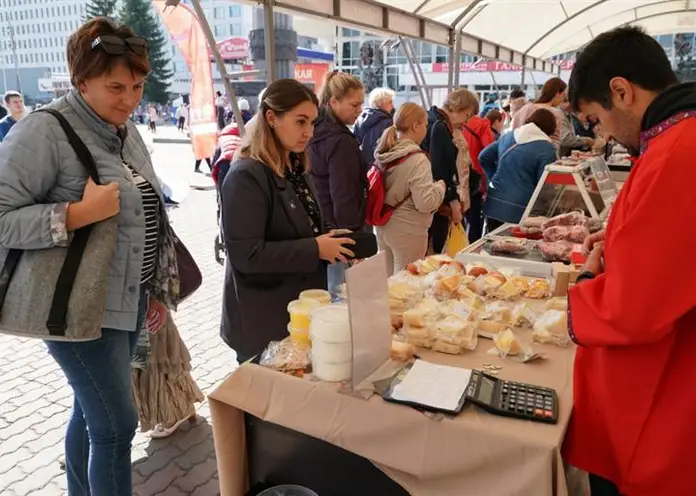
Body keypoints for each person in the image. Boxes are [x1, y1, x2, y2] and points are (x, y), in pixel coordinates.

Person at [0, 18, 179, 496]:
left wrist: (155, 290)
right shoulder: (44, 131)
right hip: (76, 308)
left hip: (129, 301)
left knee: (90, 409)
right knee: (117, 424)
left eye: (138, 86)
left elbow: (153, 214)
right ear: (81, 81)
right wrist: (77, 213)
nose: (130, 98)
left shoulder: (124, 129)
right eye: (115, 86)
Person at [564, 26, 696, 496]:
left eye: (596, 119)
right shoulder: (670, 140)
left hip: (668, 407)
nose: (600, 134)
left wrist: (583, 281)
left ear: (621, 91)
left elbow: (633, 307)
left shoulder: (678, 152)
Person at [220, 79, 355, 362]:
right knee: (264, 403)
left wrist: (336, 241)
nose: (308, 132)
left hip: (295, 312)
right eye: (300, 122)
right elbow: (247, 255)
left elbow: (302, 223)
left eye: (313, 123)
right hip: (263, 320)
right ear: (271, 118)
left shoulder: (294, 166)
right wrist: (315, 249)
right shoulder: (246, 175)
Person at [373, 103, 445, 274]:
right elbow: (426, 203)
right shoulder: (417, 159)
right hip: (409, 229)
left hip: (384, 226)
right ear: (415, 126)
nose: (427, 129)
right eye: (426, 124)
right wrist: (440, 188)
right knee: (407, 284)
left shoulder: (385, 152)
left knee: (387, 280)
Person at [479, 108, 558, 232]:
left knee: (490, 245)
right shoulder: (546, 149)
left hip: (494, 203)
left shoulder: (509, 136)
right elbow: (545, 186)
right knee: (514, 248)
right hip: (521, 209)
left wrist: (493, 177)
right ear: (550, 129)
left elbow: (484, 157)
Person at [307, 71, 368, 232]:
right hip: (339, 229)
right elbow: (344, 193)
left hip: (318, 222)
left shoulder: (313, 130)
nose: (360, 110)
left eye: (361, 105)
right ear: (334, 102)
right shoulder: (340, 141)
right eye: (354, 105)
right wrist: (352, 235)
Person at [422, 88, 479, 252]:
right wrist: (453, 202)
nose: (466, 122)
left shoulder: (434, 121)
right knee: (437, 252)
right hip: (440, 205)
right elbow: (441, 170)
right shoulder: (440, 127)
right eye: (467, 115)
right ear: (456, 107)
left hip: (433, 201)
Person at [462, 100, 496, 243]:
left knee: (460, 220)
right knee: (475, 221)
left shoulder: (454, 124)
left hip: (458, 177)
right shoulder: (482, 125)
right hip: (475, 178)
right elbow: (489, 150)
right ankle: (471, 251)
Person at [353, 87, 395, 165]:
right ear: (381, 103)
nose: (392, 106)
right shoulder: (388, 123)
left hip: (362, 166)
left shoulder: (360, 119)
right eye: (390, 102)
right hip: (379, 166)